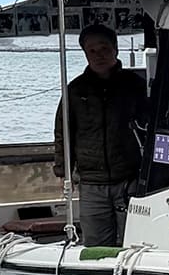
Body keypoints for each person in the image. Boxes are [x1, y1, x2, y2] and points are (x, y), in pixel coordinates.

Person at [54, 24, 148, 247]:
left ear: (115, 49)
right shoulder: (75, 90)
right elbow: (63, 133)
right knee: (95, 246)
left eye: (104, 48)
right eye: (92, 51)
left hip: (129, 180)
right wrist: (63, 172)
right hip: (91, 184)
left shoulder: (135, 86)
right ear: (85, 54)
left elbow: (150, 129)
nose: (99, 55)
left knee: (134, 243)